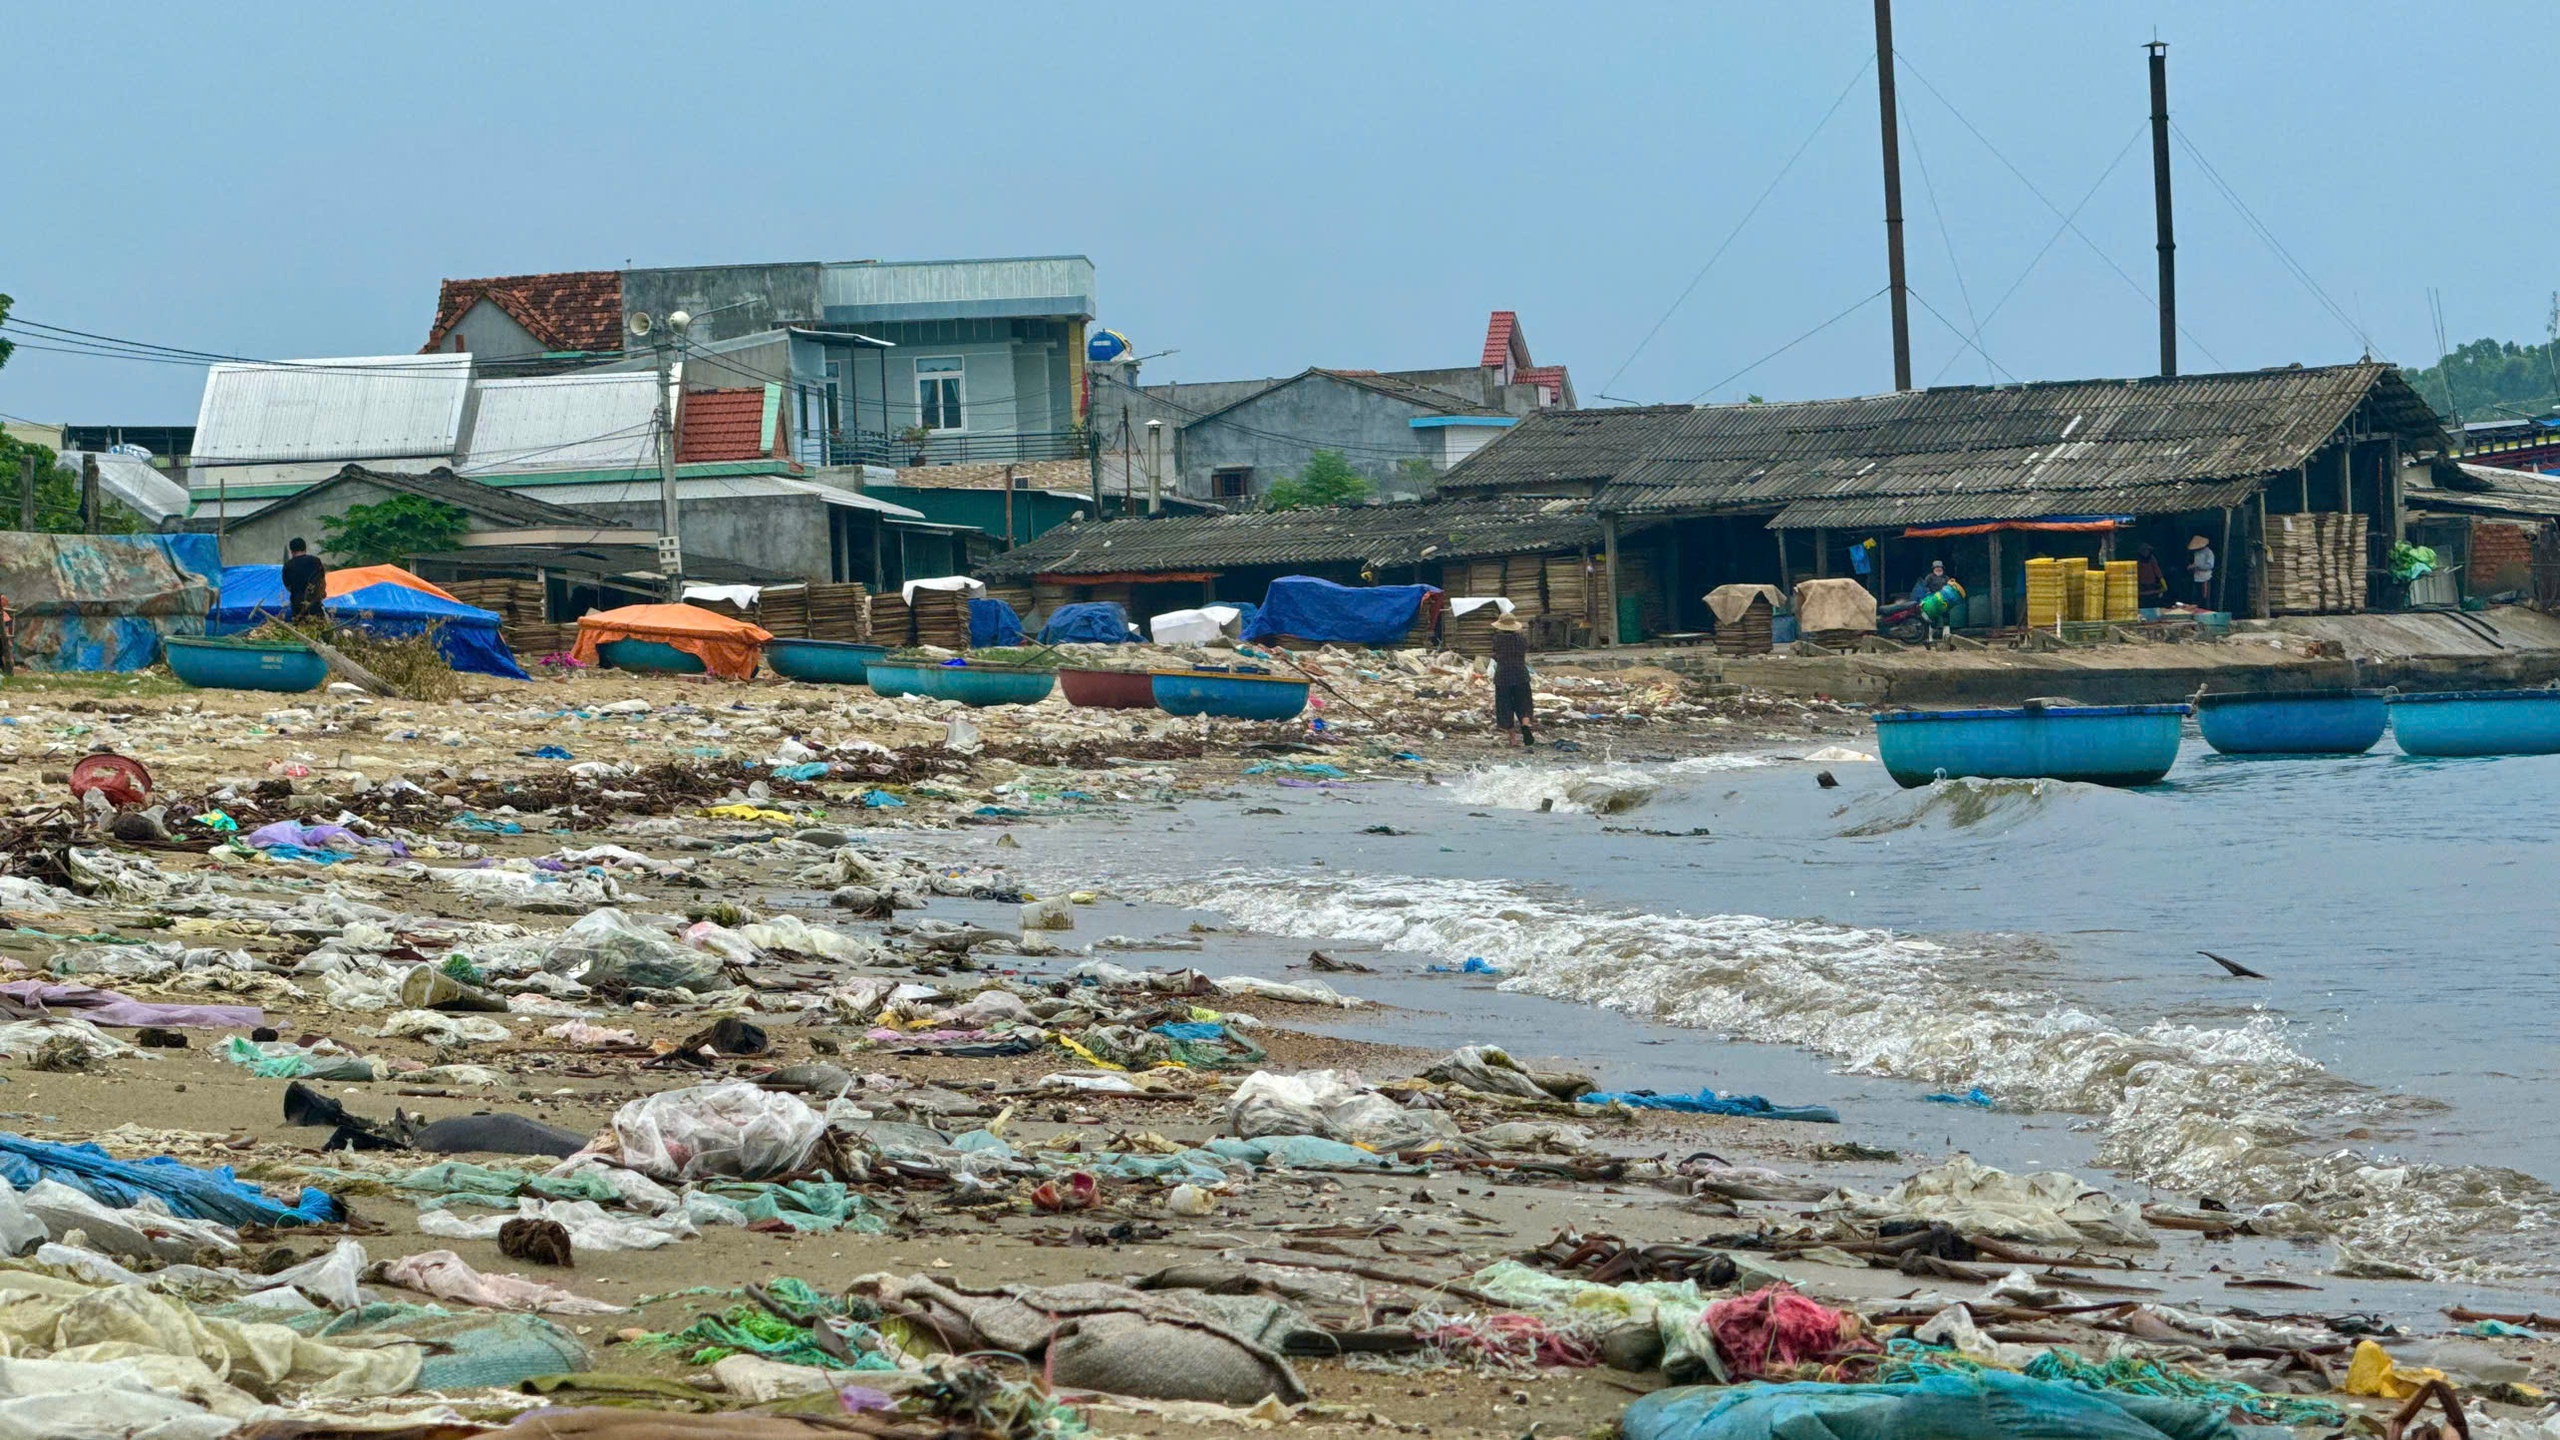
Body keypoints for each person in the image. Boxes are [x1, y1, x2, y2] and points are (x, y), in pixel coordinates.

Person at [1490, 613, 1535, 747]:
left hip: (1503, 676)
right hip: (1521, 674)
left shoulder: (1497, 639)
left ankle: (1513, 738)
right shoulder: (1521, 640)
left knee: (1505, 706)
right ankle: (1525, 724)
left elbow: (1496, 655)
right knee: (1524, 702)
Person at [282, 538, 327, 622]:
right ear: (305, 549)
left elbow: (288, 586)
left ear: (292, 551)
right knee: (319, 628)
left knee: (300, 629)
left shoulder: (288, 565)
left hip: (297, 606)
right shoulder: (316, 561)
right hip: (315, 604)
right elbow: (322, 581)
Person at [2136, 542, 2169, 609]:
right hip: (2142, 585)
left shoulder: (2152, 559)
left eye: (2147, 551)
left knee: (2153, 603)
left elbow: (2157, 571)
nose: (2146, 552)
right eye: (2145, 551)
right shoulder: (2138, 561)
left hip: (2152, 584)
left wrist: (2163, 583)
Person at [2186, 534, 2216, 607]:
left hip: (2205, 577)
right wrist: (2191, 567)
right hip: (2196, 577)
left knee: (2205, 597)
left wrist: (2197, 566)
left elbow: (2210, 565)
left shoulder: (2209, 552)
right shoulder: (2196, 553)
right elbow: (2196, 563)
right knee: (2195, 597)